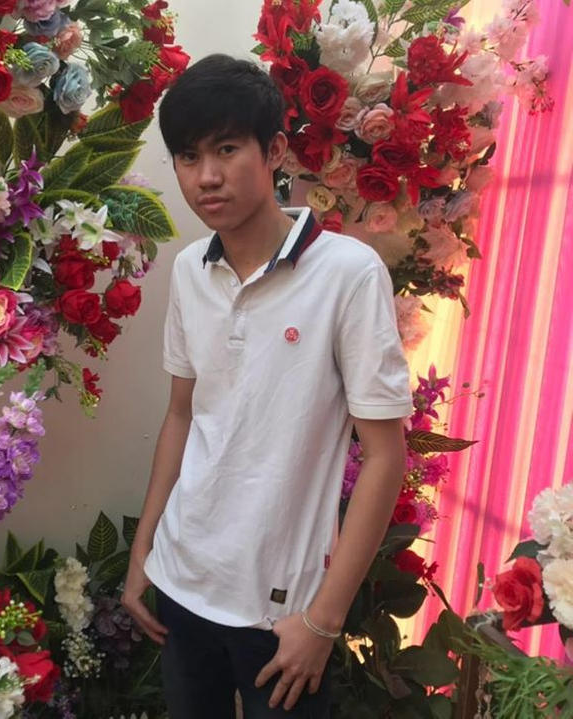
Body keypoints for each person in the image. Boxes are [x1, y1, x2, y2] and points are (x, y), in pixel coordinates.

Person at [122, 54, 413, 718]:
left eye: (227, 149)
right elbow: (182, 415)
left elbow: (384, 455)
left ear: (275, 150)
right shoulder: (190, 269)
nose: (207, 176)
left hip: (281, 612)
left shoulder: (347, 274)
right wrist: (144, 551)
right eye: (189, 156)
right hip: (182, 581)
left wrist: (324, 622)